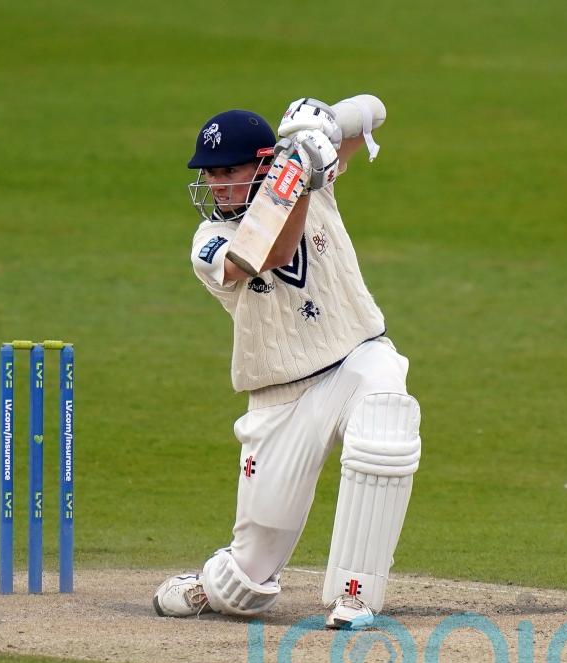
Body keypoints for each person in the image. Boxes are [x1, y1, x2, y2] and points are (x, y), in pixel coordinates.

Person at [153, 97, 421, 630]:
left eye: (228, 171)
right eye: (210, 174)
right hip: (281, 396)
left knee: (387, 417)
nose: (216, 185)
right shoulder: (209, 242)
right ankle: (215, 584)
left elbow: (374, 111)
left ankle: (355, 595)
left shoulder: (310, 179)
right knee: (245, 586)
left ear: (262, 164)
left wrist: (316, 133)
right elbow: (268, 253)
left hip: (357, 356)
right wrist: (295, 179)